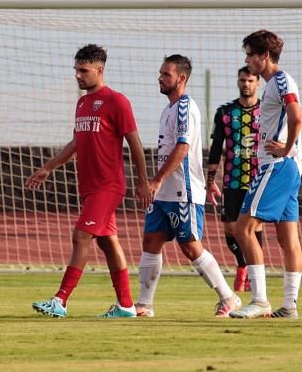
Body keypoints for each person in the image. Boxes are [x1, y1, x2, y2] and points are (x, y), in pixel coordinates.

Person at [28, 44, 151, 318]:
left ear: (100, 70)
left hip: (108, 186)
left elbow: (135, 143)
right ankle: (126, 306)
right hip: (89, 186)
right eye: (76, 70)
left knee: (81, 235)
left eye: (83, 71)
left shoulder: (117, 101)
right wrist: (48, 167)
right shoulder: (82, 103)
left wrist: (142, 181)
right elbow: (76, 141)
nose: (78, 76)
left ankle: (60, 300)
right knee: (107, 243)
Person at [135, 54, 241, 317]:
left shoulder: (185, 106)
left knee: (190, 246)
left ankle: (229, 298)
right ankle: (144, 305)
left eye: (166, 74)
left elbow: (182, 148)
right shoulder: (168, 108)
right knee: (151, 241)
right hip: (163, 194)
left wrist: (156, 180)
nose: (160, 78)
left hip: (183, 191)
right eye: (160, 73)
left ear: (181, 79)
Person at [231, 30, 302, 319]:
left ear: (265, 55)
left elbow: (297, 116)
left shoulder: (280, 80)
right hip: (289, 168)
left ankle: (260, 300)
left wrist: (285, 148)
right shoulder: (276, 83)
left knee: (242, 228)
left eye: (250, 54)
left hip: (277, 166)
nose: (248, 60)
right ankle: (289, 305)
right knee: (289, 239)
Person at [206, 67, 263, 292]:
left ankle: (247, 276)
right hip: (232, 180)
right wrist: (211, 180)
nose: (246, 84)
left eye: (250, 80)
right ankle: (243, 265)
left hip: (258, 181)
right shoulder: (225, 113)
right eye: (242, 80)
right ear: (237, 81)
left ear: (258, 82)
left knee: (253, 229)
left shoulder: (267, 111)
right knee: (230, 231)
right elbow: (215, 149)